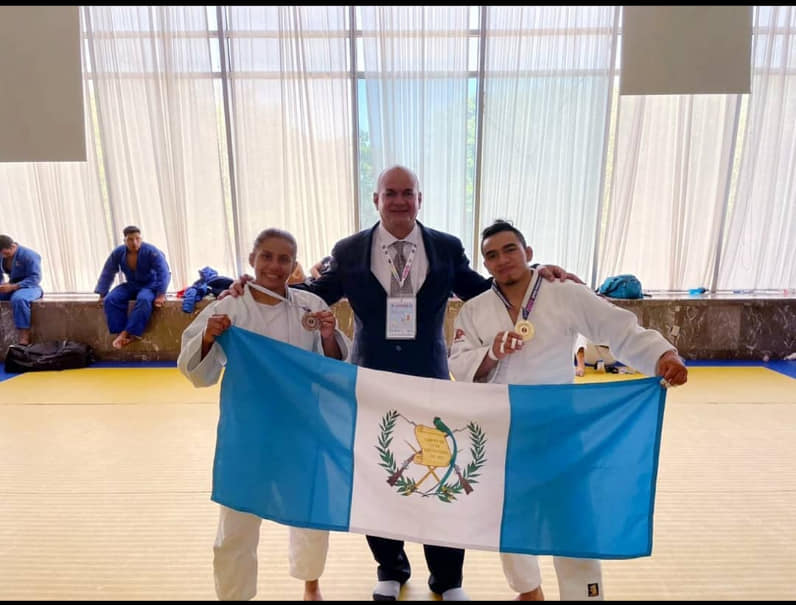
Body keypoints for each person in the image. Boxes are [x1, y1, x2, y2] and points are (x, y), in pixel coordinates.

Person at [224, 165, 580, 601]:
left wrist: (539, 273)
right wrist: (255, 284)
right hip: (369, 381)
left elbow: (490, 287)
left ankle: (448, 579)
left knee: (442, 476)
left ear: (419, 199)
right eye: (389, 193)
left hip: (431, 380)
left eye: (406, 193)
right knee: (382, 475)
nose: (398, 201)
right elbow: (313, 293)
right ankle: (390, 568)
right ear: (375, 199)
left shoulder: (446, 248)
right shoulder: (351, 249)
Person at [448, 219, 688, 601]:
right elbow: (459, 363)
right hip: (505, 427)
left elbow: (618, 328)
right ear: (485, 265)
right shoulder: (475, 310)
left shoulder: (565, 293)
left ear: (528, 253)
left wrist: (662, 355)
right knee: (511, 514)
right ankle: (528, 589)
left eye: (510, 249)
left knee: (573, 517)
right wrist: (491, 351)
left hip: (561, 425)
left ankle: (583, 594)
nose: (502, 260)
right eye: (491, 255)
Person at [177, 228, 350, 601]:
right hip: (248, 428)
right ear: (252, 259)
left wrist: (329, 334)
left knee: (310, 510)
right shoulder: (228, 308)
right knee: (236, 521)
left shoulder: (309, 305)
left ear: (294, 264)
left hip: (303, 425)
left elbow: (334, 366)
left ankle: (311, 584)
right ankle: (235, 595)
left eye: (284, 258)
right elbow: (195, 372)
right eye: (267, 256)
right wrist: (208, 336)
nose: (274, 265)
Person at [94, 226, 171, 349]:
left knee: (144, 300)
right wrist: (102, 293)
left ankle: (128, 333)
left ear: (141, 239)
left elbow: (164, 272)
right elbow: (108, 272)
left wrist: (161, 294)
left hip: (150, 285)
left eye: (137, 239)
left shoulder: (151, 251)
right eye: (130, 239)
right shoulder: (118, 253)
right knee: (111, 299)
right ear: (125, 240)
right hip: (132, 284)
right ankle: (121, 333)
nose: (134, 243)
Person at [0, 234, 43, 345]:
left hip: (30, 286)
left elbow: (35, 278)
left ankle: (24, 337)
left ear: (13, 246)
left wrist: (14, 287)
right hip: (11, 284)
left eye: (5, 253)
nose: (3, 256)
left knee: (19, 299)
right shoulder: (1, 255)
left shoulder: (30, 255)